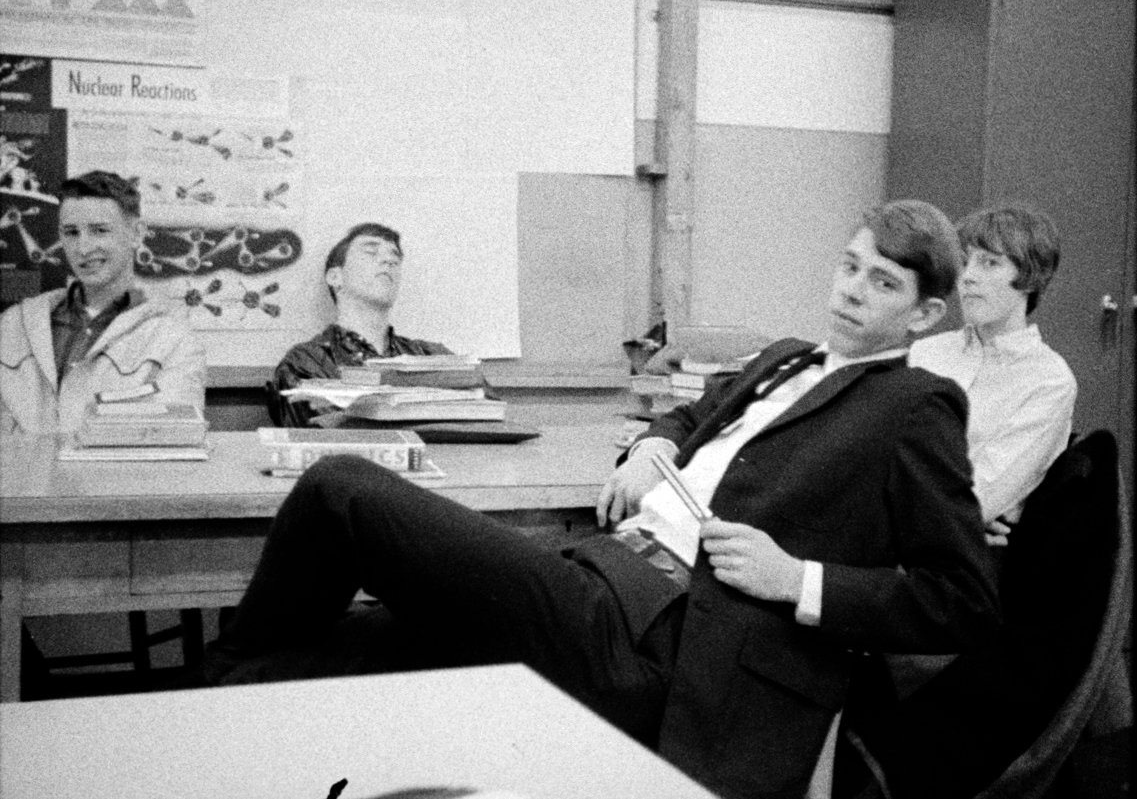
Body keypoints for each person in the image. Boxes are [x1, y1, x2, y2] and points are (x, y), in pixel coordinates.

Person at [202, 200, 1001, 799]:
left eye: (882, 282)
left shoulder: (915, 406)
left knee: (341, 490)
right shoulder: (786, 358)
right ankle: (211, 721)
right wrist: (655, 443)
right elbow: (690, 414)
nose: (852, 290)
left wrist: (797, 579)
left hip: (667, 643)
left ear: (924, 313)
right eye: (849, 266)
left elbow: (962, 600)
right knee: (342, 647)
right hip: (601, 571)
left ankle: (214, 692)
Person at [909, 205, 1076, 547]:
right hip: (906, 537)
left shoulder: (1049, 382)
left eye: (989, 263)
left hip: (961, 560)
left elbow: (977, 500)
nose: (967, 277)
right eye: (964, 262)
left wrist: (961, 518)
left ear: (1031, 277)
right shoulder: (925, 352)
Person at [0, 170, 205, 435]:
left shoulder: (174, 340)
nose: (83, 248)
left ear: (137, 234)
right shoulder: (13, 324)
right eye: (71, 232)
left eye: (99, 231)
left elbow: (172, 442)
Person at [272, 222, 456, 426]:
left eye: (395, 256)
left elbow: (480, 425)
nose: (388, 260)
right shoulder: (304, 363)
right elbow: (326, 435)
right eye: (371, 252)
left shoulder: (432, 356)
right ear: (335, 277)